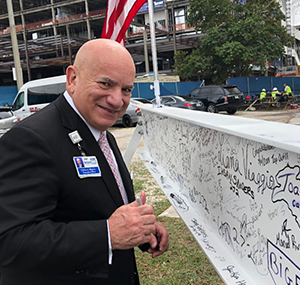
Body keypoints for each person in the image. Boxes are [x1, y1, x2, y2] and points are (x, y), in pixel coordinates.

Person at [0, 39, 169, 285]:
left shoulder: (103, 135)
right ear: (72, 79)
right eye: (105, 83)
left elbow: (97, 208)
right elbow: (10, 242)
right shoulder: (31, 139)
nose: (117, 100)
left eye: (126, 90)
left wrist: (141, 229)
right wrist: (108, 235)